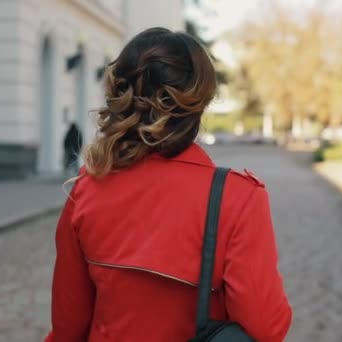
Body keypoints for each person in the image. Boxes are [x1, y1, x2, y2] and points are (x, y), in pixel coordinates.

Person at [46, 28, 292, 341]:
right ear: (200, 102)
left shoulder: (87, 190)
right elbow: (266, 327)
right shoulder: (237, 198)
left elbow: (68, 326)